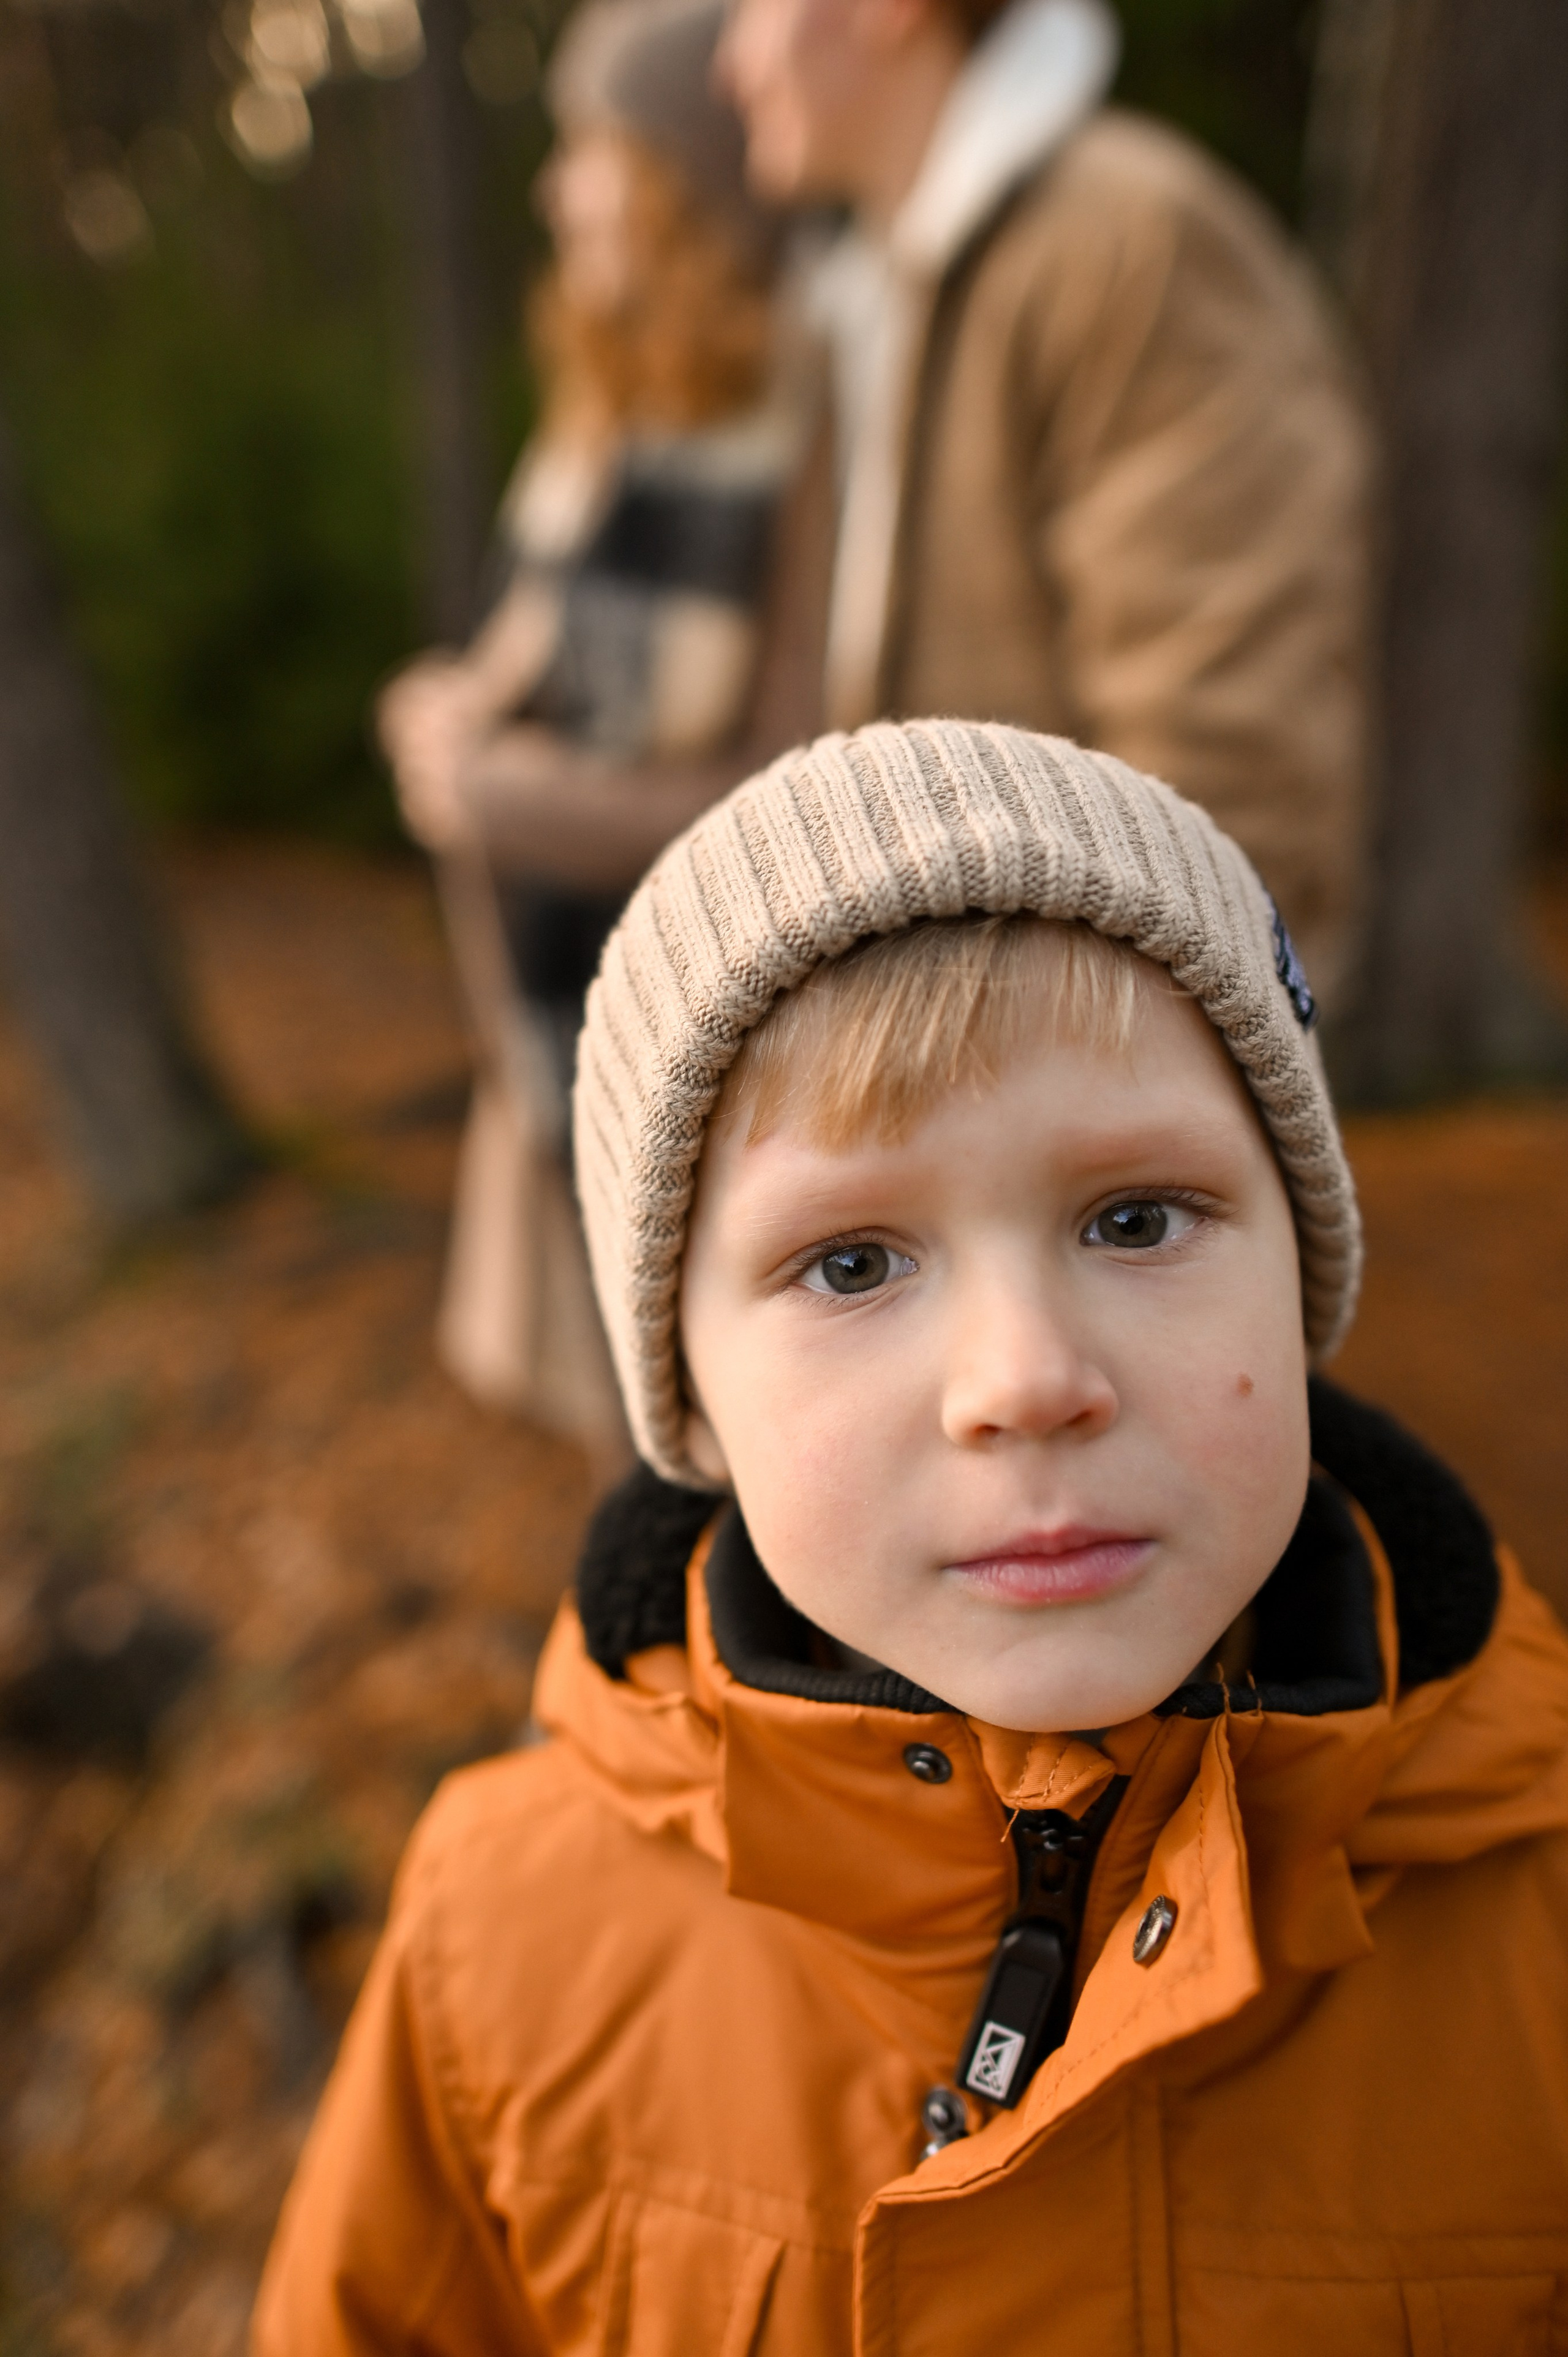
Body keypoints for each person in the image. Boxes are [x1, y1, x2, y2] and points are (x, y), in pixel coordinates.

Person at [255, 719, 1568, 2355]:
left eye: (1137, 1220)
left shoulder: (1537, 1915)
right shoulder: (501, 1931)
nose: (1024, 1380)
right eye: (855, 1265)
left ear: (1298, 1275)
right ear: (690, 1395)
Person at [717, 0, 1372, 1006]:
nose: (732, 64)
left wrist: (1133, 1112)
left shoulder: (1129, 242)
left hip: (1078, 1089)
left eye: (753, 10)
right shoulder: (879, 295)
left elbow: (1230, 762)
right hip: (957, 1073)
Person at [378, 0, 817, 1458]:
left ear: (682, 176)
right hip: (544, 1015)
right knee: (624, 1445)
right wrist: (448, 712)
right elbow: (522, 663)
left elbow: (791, 778)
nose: (556, 186)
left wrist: (503, 793)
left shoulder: (804, 399)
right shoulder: (597, 412)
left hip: (706, 1026)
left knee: (723, 1439)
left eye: (591, 150)